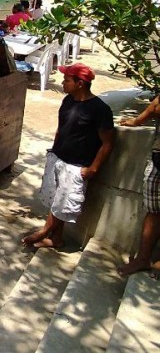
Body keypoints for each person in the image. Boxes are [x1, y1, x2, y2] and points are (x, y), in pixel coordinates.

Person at [23, 63, 115, 249]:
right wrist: (54, 149)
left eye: (67, 80)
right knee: (57, 200)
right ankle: (57, 239)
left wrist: (93, 168)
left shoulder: (100, 110)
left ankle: (44, 231)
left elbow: (107, 143)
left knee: (65, 201)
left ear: (80, 83)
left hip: (77, 164)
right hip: (58, 157)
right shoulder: (68, 101)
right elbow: (61, 127)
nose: (63, 83)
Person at [118, 96, 160, 275]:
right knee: (153, 211)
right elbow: (154, 108)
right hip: (159, 159)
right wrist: (135, 121)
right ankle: (143, 258)